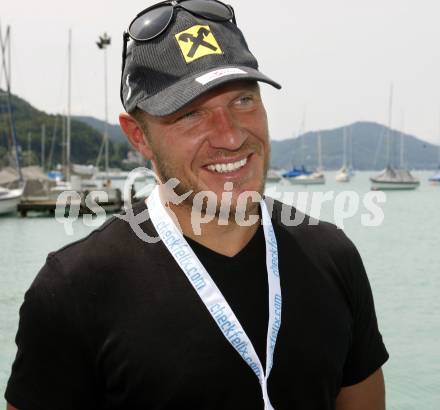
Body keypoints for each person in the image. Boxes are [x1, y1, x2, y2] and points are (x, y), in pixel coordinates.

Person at [5, 1, 388, 409]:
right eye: (190, 114)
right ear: (138, 136)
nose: (229, 136)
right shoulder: (73, 292)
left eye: (242, 101)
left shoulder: (333, 258)